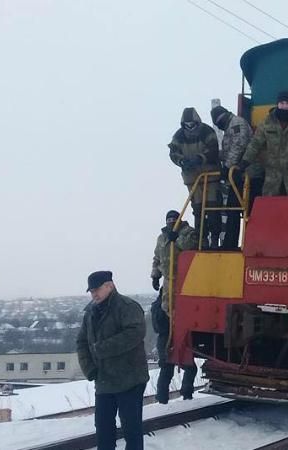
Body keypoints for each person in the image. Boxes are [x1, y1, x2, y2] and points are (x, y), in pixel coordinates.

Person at [77, 271, 149, 450]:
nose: (94, 294)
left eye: (97, 289)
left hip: (130, 379)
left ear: (109, 286)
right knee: (103, 429)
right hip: (104, 380)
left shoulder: (128, 307)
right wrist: (89, 369)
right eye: (91, 291)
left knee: (131, 430)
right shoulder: (90, 313)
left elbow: (135, 334)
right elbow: (81, 342)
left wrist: (102, 348)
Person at [150, 210, 198, 403]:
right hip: (168, 287)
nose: (171, 223)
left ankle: (187, 393)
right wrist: (155, 274)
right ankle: (161, 398)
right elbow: (157, 257)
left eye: (174, 220)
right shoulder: (161, 237)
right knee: (165, 329)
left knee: (185, 334)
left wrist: (176, 238)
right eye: (168, 220)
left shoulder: (189, 233)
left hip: (187, 285)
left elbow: (192, 249)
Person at [210, 104, 264, 250]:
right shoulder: (229, 128)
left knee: (250, 211)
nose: (219, 124)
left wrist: (228, 166)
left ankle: (252, 243)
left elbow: (239, 145)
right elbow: (230, 150)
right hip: (239, 177)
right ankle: (230, 243)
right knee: (233, 209)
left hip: (250, 175)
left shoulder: (237, 123)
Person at [168, 107, 222, 249]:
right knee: (198, 210)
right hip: (192, 179)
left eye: (192, 124)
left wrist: (200, 158)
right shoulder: (179, 136)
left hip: (210, 177)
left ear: (197, 122)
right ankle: (201, 240)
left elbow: (213, 149)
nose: (190, 128)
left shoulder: (207, 131)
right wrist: (182, 161)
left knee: (213, 208)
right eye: (187, 125)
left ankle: (215, 239)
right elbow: (173, 152)